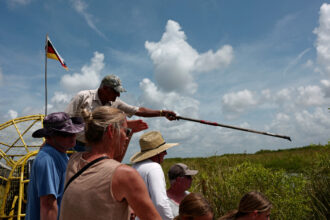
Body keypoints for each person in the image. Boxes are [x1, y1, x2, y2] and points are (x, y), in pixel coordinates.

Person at [60, 106, 161, 220]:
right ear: (111, 130)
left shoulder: (74, 160)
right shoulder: (126, 175)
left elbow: (105, 166)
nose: (127, 138)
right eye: (126, 131)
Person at [65, 74, 177, 150]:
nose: (118, 95)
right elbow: (66, 120)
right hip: (75, 145)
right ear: (104, 89)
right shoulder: (83, 97)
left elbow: (139, 110)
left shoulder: (116, 102)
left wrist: (162, 113)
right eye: (115, 91)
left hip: (97, 147)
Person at [26, 112, 84, 220]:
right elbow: (48, 205)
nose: (73, 136)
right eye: (66, 134)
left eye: (72, 132)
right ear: (49, 137)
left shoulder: (62, 156)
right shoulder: (47, 159)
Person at [130, 130, 179, 220]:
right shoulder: (154, 167)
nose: (165, 153)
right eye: (163, 150)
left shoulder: (135, 167)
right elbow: (160, 203)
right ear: (156, 153)